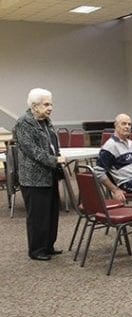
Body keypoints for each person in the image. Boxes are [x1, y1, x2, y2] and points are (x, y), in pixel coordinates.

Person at [15, 88, 67, 261]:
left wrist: (56, 160)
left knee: (51, 213)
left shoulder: (46, 121)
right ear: (34, 106)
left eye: (51, 104)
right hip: (33, 178)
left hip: (49, 175)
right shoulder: (24, 123)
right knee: (38, 215)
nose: (50, 107)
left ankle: (48, 245)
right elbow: (32, 151)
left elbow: (51, 145)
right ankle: (36, 250)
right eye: (46, 104)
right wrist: (55, 160)